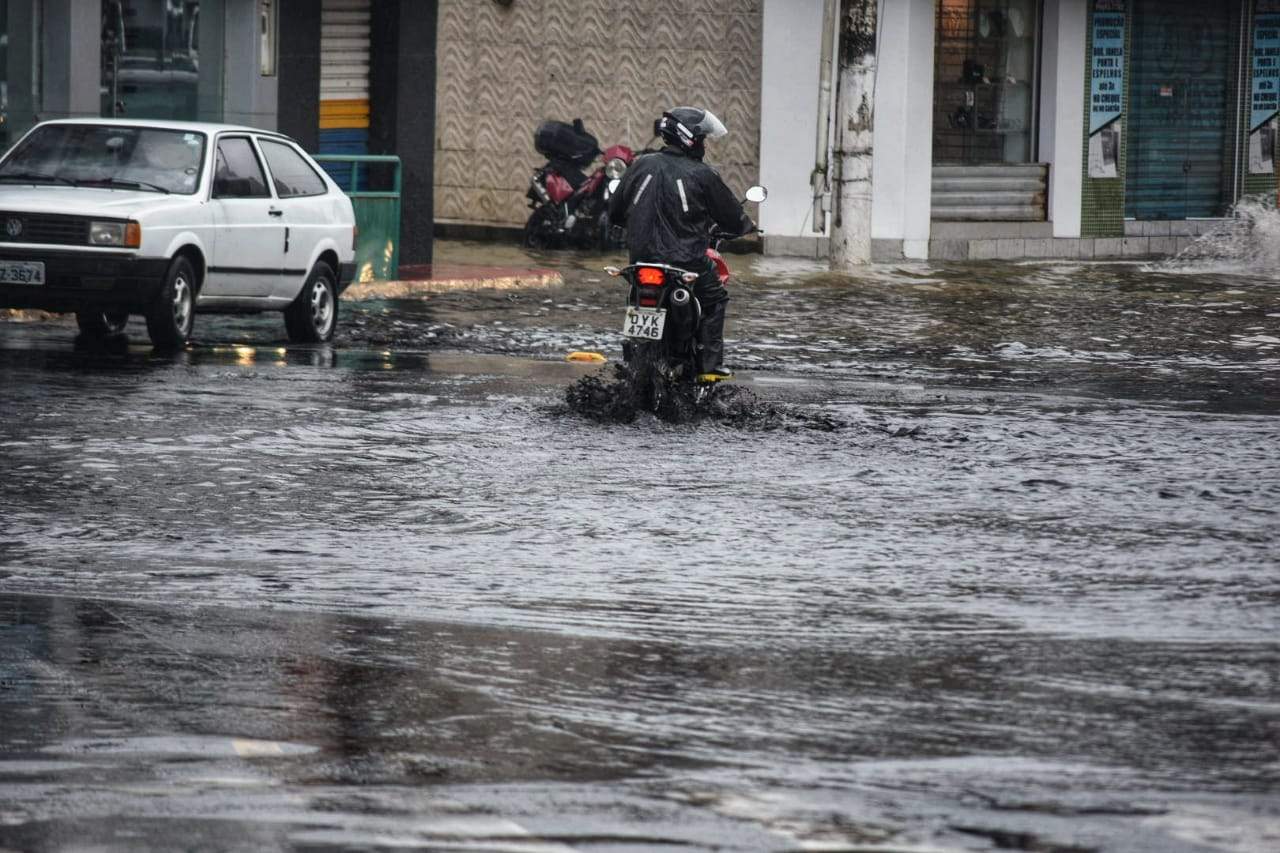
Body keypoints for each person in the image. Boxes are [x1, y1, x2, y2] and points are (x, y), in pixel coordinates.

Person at [607, 106, 755, 378]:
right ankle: (709, 367)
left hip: (640, 262)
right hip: (685, 261)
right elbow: (732, 218)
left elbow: (614, 213)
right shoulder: (703, 174)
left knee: (635, 297)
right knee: (715, 298)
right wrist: (745, 226)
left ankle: (633, 359)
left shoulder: (640, 165)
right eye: (702, 139)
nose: (704, 145)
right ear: (691, 139)